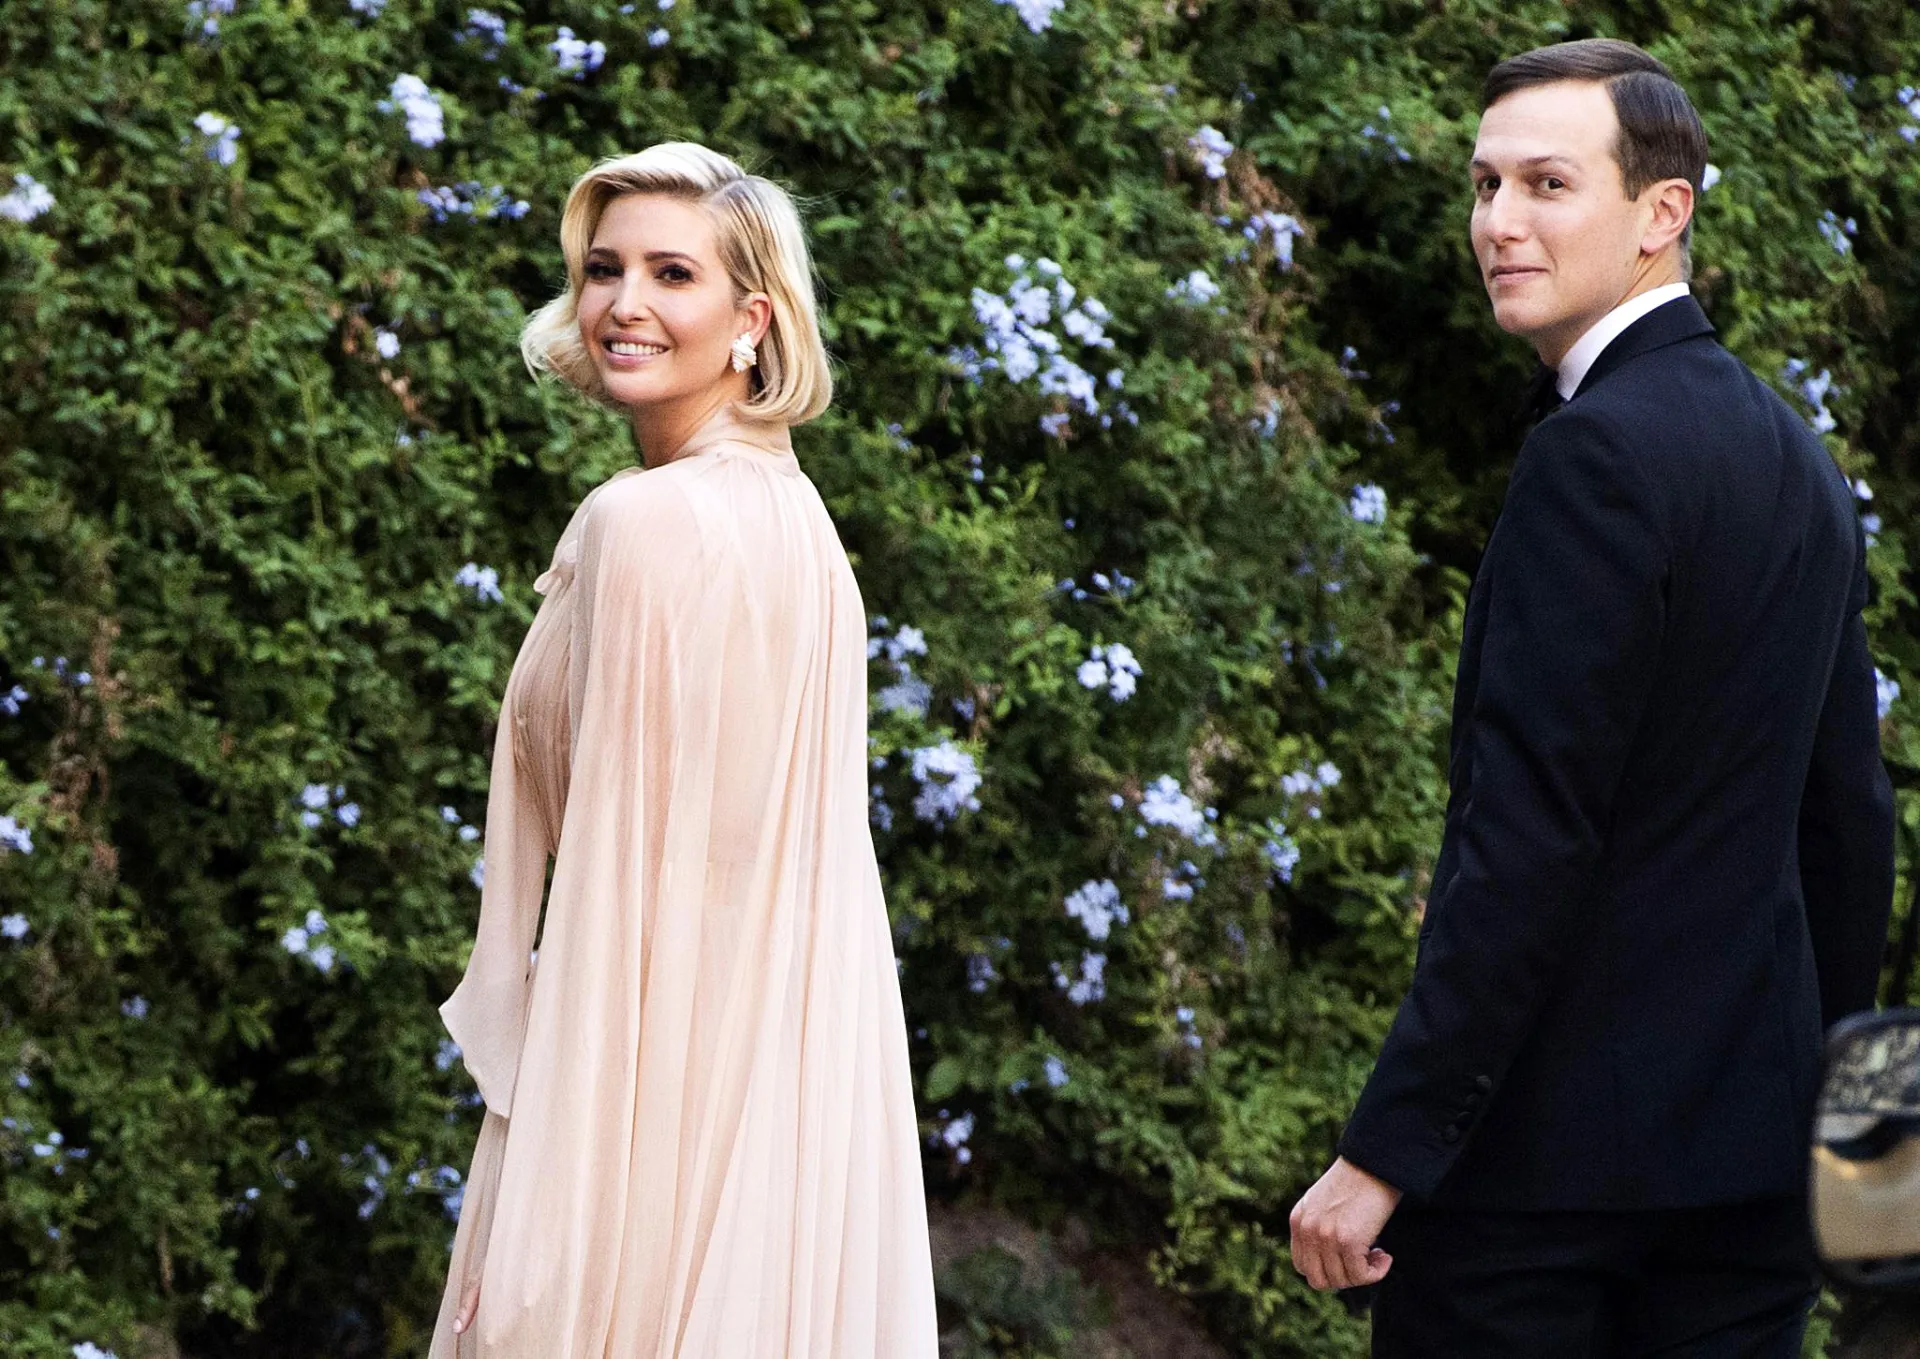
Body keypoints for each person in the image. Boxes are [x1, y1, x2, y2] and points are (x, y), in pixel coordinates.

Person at [1288, 39, 1895, 1354]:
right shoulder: (1797, 458)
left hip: (1544, 1190)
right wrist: (1823, 1120)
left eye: (1548, 184)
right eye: (1485, 184)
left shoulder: (1594, 456)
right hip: (1751, 1176)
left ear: (1661, 212)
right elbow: (1848, 827)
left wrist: (1389, 1147)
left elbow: (1526, 841)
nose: (1498, 222)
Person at [428, 143, 938, 1357]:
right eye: (604, 269)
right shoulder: (803, 529)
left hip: (644, 1099)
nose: (625, 303)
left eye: (672, 273)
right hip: (785, 1098)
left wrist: (552, 1206)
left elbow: (622, 891)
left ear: (751, 320)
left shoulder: (643, 522)